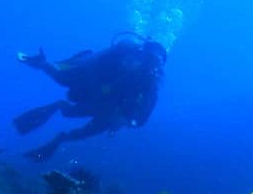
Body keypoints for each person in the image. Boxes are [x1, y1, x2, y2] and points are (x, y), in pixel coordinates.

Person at [13, 34, 165, 162]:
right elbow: (70, 73)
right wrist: (46, 65)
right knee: (64, 82)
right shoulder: (115, 56)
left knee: (89, 124)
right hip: (88, 87)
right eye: (144, 58)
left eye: (153, 62)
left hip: (106, 107)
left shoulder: (150, 83)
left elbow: (142, 119)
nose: (145, 63)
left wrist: (124, 120)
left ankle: (60, 138)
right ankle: (40, 64)